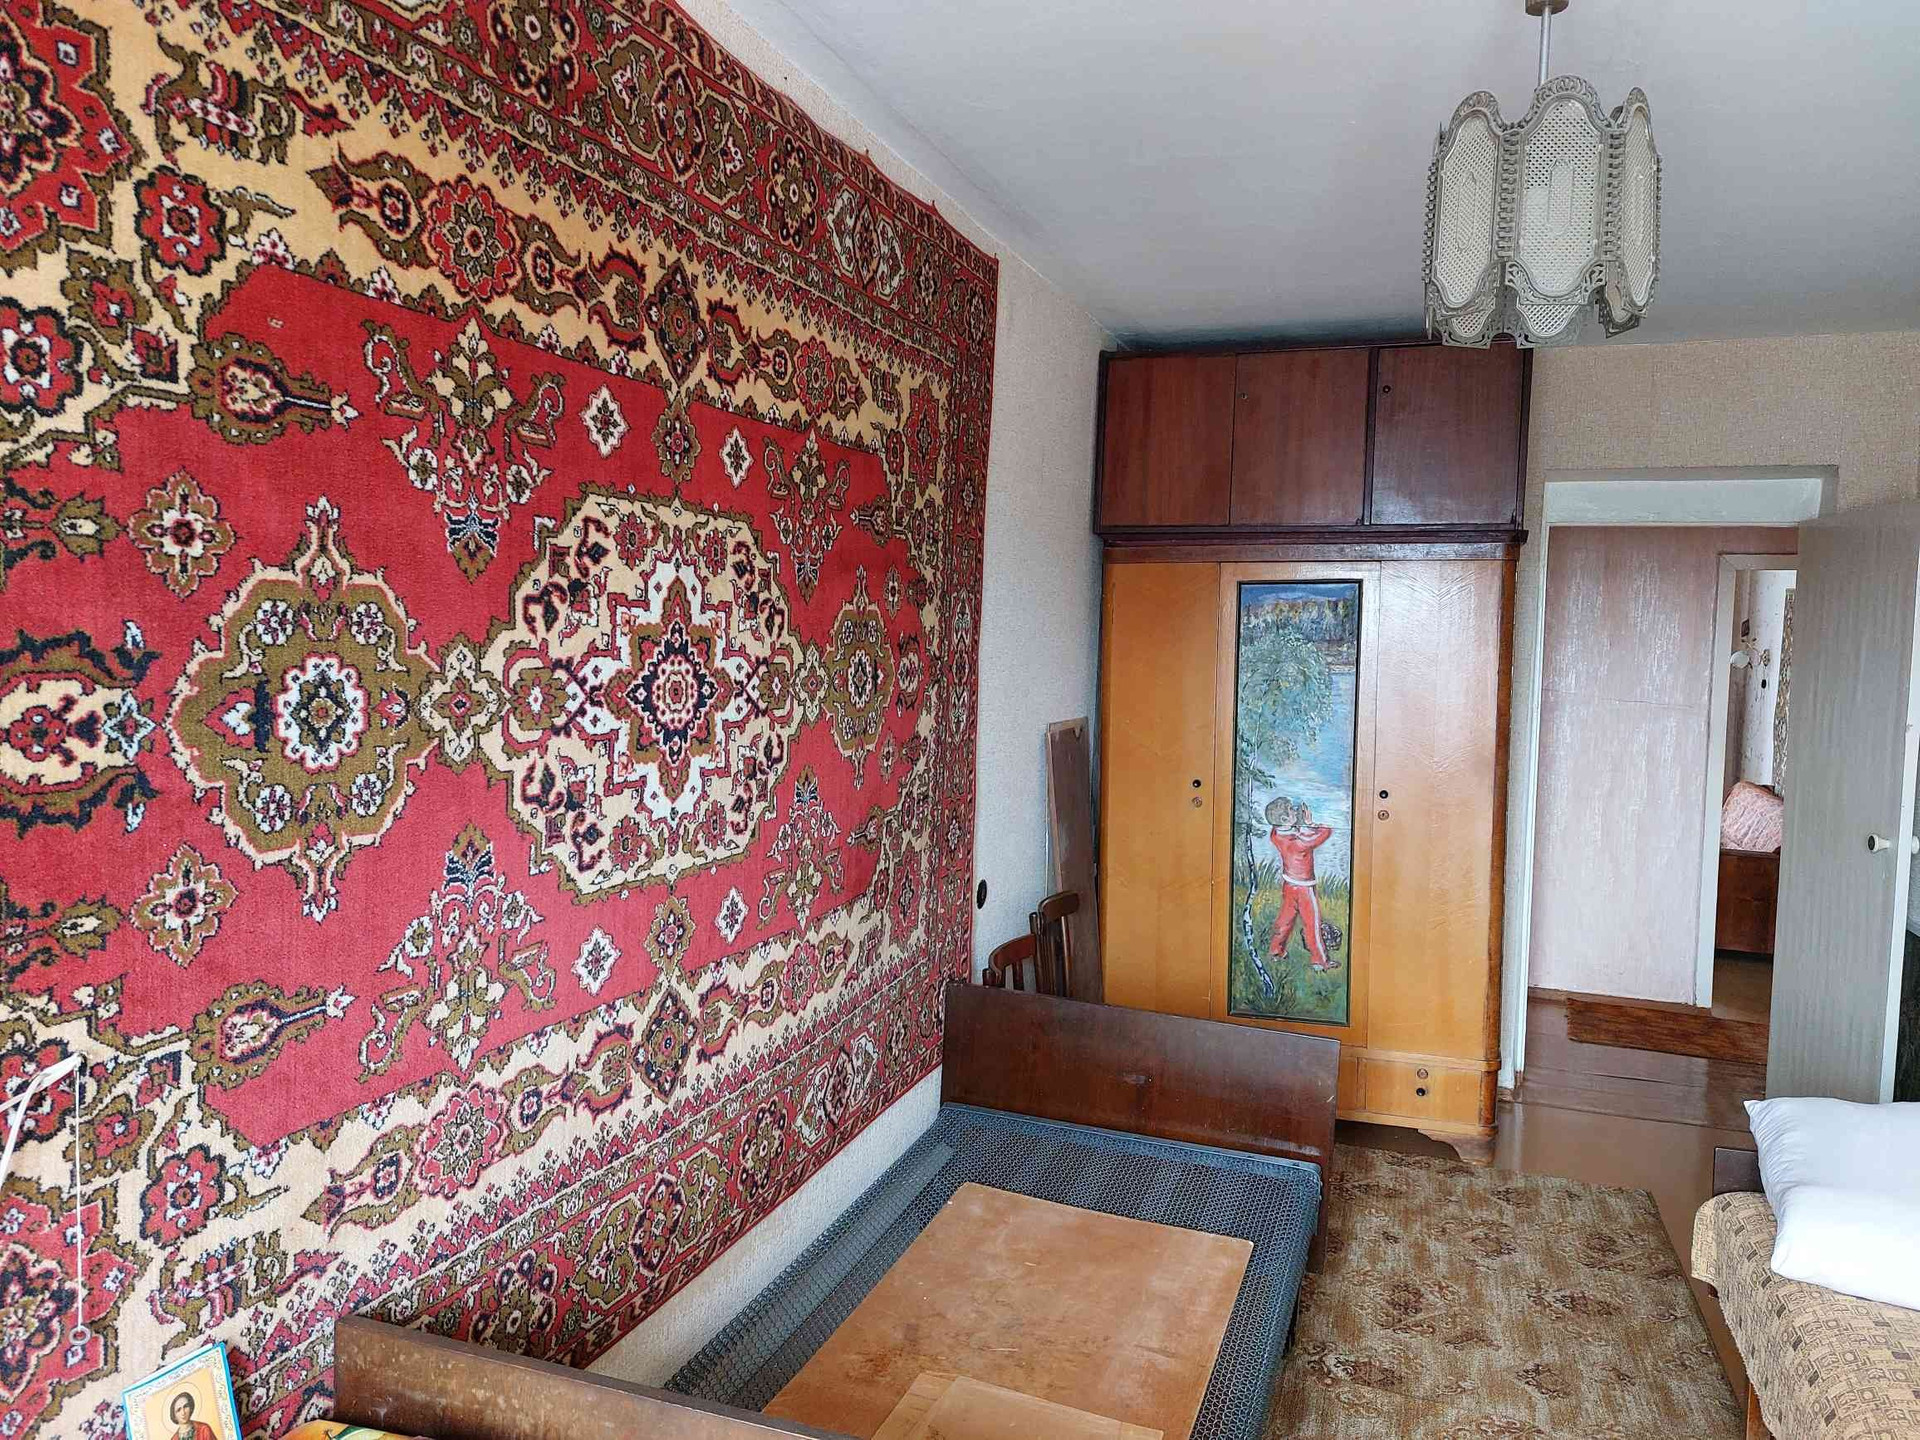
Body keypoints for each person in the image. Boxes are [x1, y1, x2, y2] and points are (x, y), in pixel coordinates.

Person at [1265, 796, 1335, 972]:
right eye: (1291, 810)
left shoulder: (1276, 836)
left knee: (1285, 920)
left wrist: (1294, 825)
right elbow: (1325, 832)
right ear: (1284, 819)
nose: (1296, 811)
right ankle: (1319, 961)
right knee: (1312, 923)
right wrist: (1310, 823)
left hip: (1289, 885)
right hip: (1304, 887)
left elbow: (1286, 831)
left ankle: (1276, 951)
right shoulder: (1299, 842)